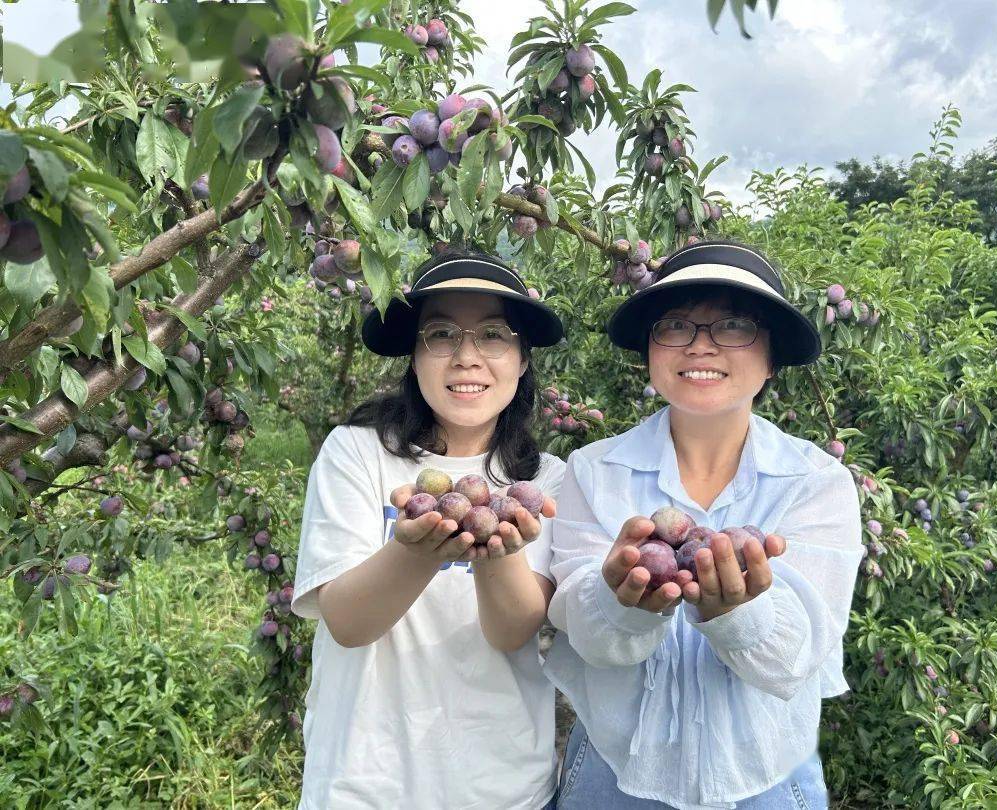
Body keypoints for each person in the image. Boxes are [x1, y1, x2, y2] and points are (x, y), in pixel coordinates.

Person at [545, 239, 864, 809]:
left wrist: (737, 612)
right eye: (675, 326)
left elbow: (796, 661)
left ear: (770, 358)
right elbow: (583, 632)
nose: (700, 346)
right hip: (613, 775)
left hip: (764, 778)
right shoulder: (594, 472)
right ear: (650, 352)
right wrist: (618, 601)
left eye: (734, 325)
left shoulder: (816, 482)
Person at [291, 250, 567, 809]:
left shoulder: (544, 481)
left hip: (502, 786)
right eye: (441, 334)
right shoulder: (358, 454)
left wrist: (495, 552)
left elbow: (512, 631)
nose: (467, 357)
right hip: (367, 783)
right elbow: (347, 622)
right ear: (415, 357)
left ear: (522, 360)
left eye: (493, 335)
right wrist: (415, 551)